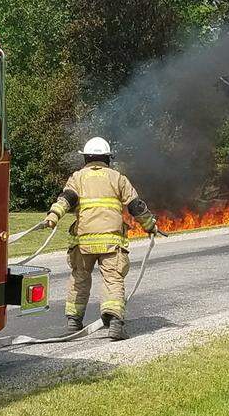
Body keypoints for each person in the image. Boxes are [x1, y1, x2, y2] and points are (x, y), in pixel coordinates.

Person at [44, 137, 159, 340]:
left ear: (86, 157)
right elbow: (136, 206)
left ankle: (74, 322)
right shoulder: (117, 178)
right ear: (107, 158)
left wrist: (53, 215)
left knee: (79, 279)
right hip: (111, 242)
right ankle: (114, 323)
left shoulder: (77, 178)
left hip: (83, 242)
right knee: (113, 279)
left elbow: (66, 199)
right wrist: (150, 225)